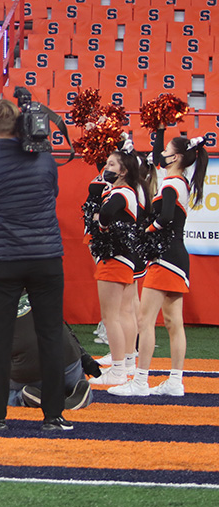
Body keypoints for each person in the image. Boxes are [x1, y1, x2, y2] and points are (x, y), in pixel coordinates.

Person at [0, 98, 71, 432]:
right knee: (50, 334)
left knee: (0, 338)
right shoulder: (44, 159)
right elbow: (51, 193)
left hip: (4, 259)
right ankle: (54, 415)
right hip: (45, 256)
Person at [109, 134, 208, 397]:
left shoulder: (171, 184)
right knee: (174, 322)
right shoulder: (181, 181)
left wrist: (146, 231)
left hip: (164, 258)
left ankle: (140, 381)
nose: (161, 153)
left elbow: (164, 218)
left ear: (175, 157)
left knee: (145, 320)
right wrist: (160, 129)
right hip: (178, 258)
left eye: (166, 150)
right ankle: (176, 381)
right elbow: (156, 156)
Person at [0, 254, 93, 410]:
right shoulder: (31, 284)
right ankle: (73, 391)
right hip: (70, 366)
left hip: (32, 375)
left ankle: (23, 397)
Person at [87, 149, 145, 387]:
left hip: (114, 258)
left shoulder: (121, 191)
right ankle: (128, 363)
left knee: (112, 316)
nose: (107, 168)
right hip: (126, 258)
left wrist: (99, 224)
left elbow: (108, 212)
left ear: (123, 171)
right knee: (125, 312)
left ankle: (119, 369)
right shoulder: (129, 191)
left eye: (111, 164)